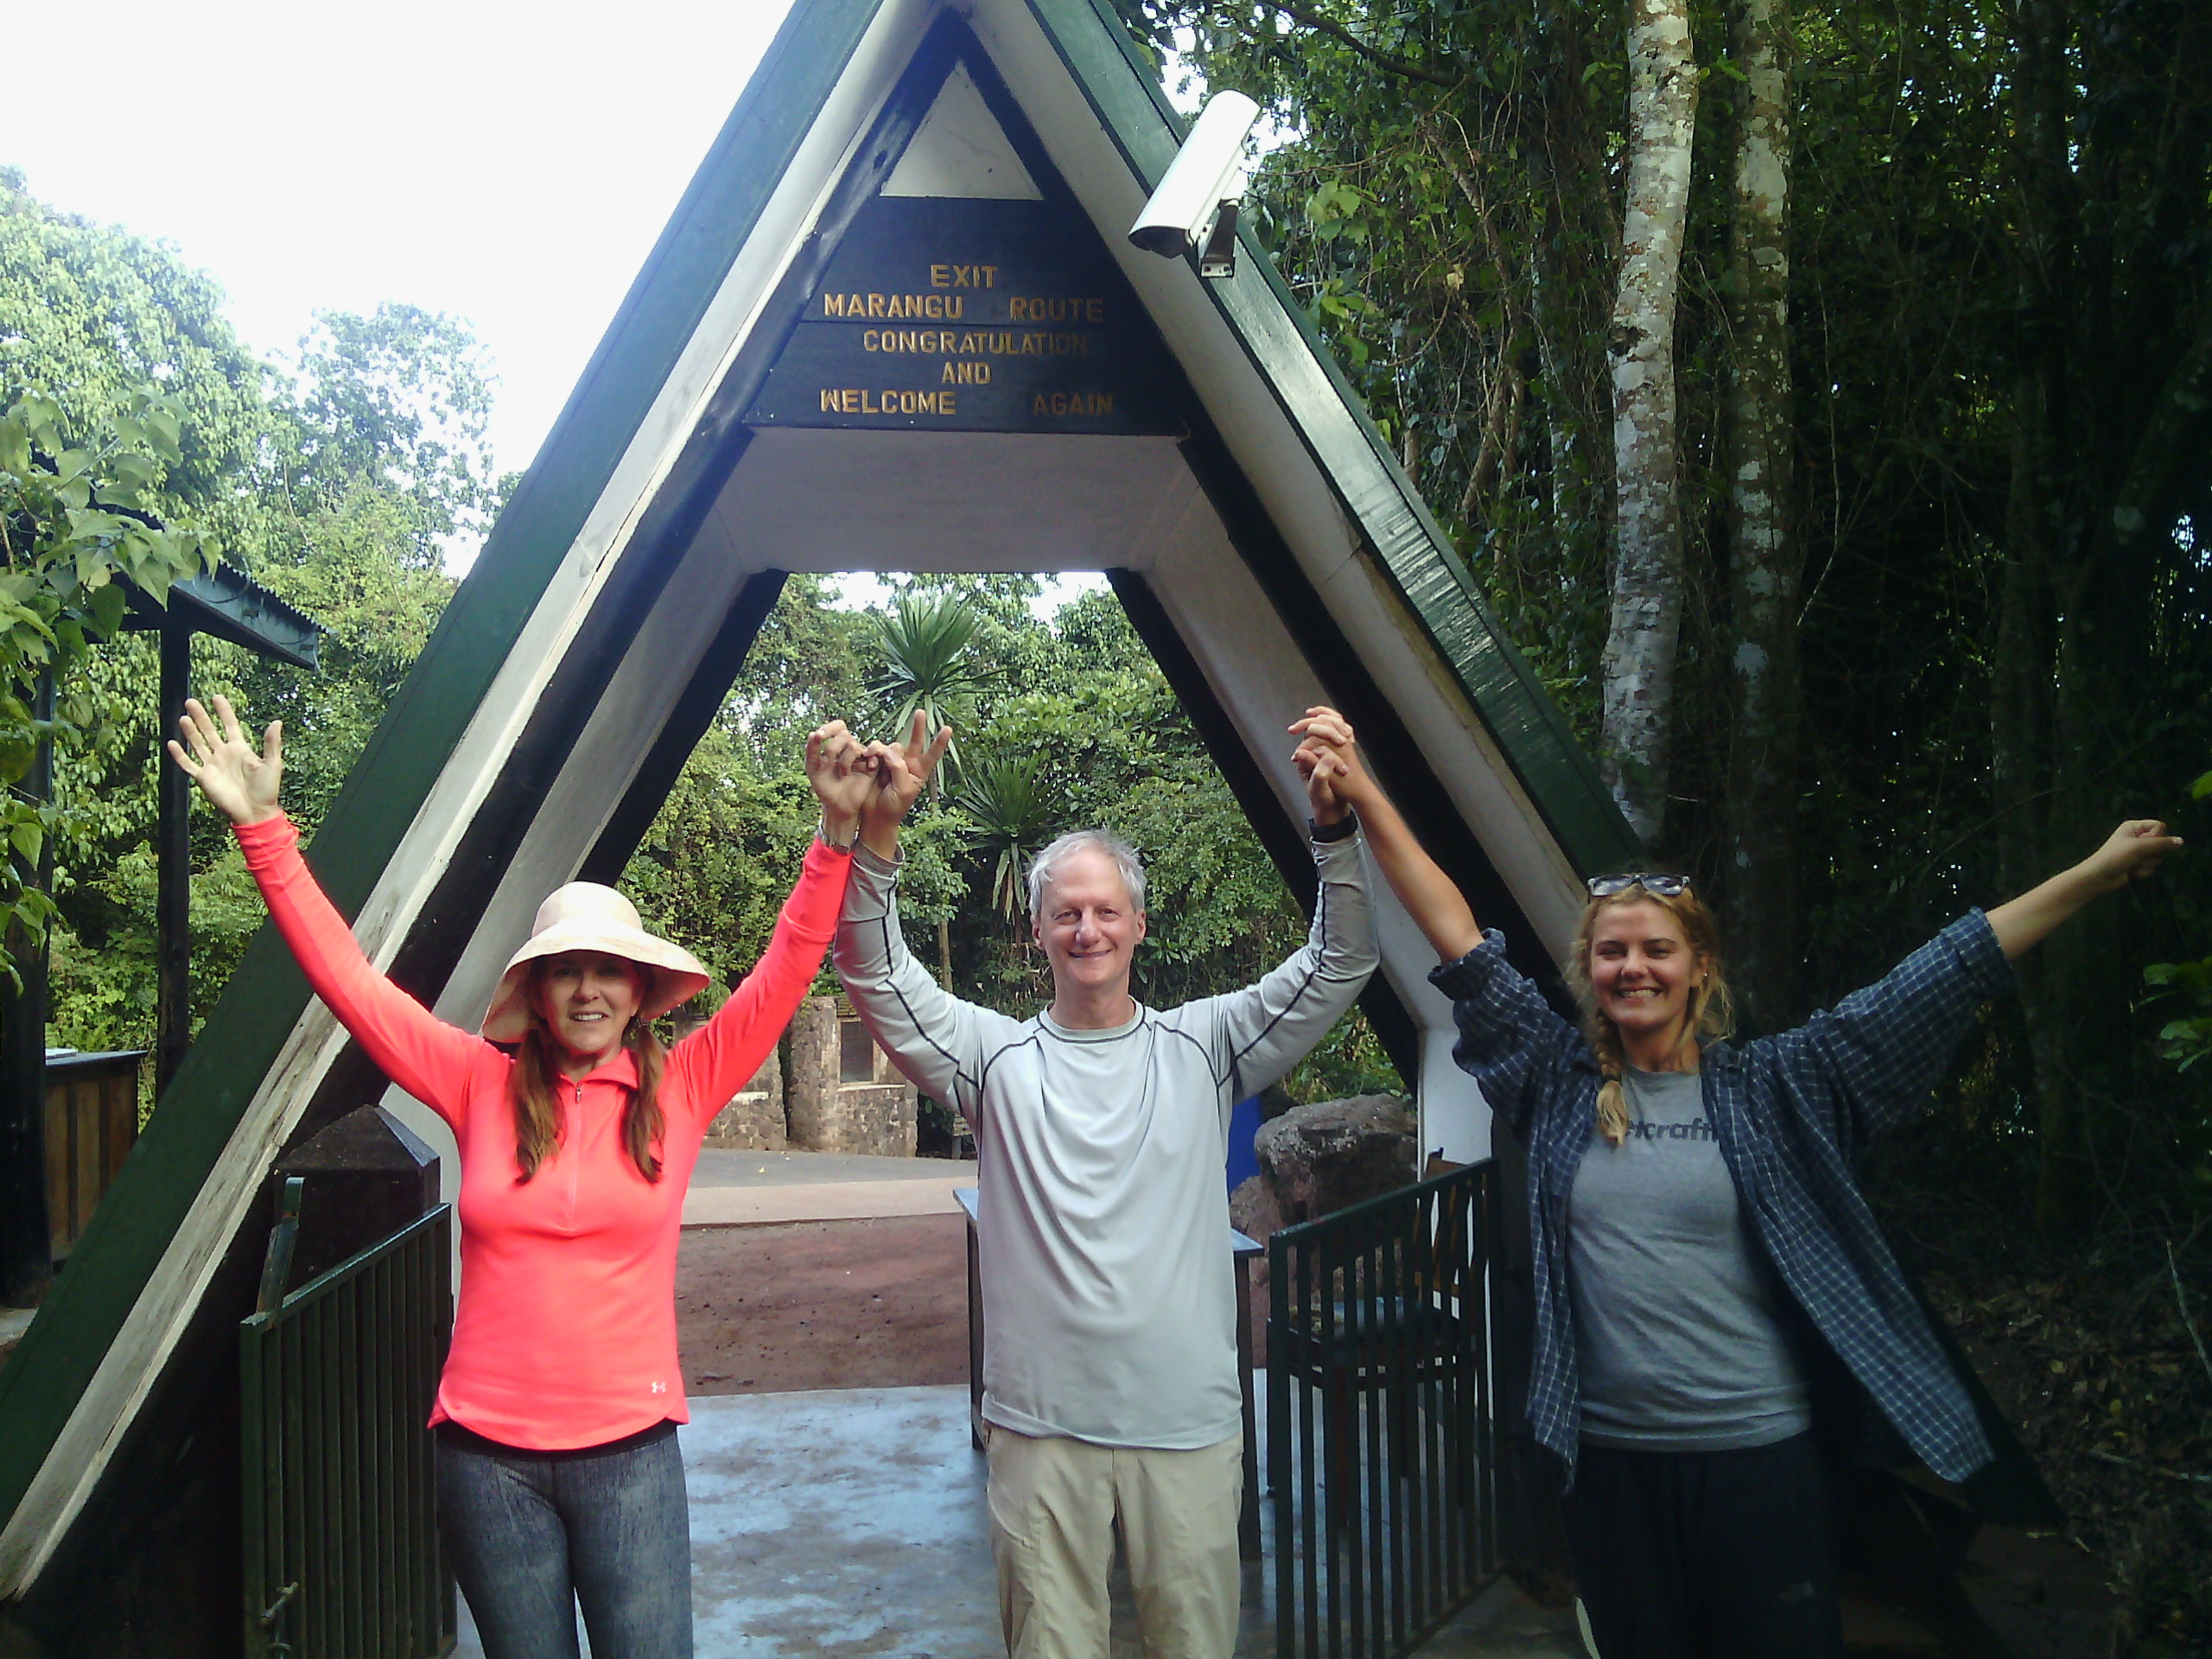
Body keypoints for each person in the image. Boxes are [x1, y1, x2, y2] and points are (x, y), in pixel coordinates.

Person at [1287, 705, 2180, 1659]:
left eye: (1655, 950)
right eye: (1613, 951)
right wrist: (1362, 788)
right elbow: (1456, 935)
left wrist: (2094, 873)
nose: (1633, 968)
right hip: (1611, 1468)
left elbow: (1944, 974)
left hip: (1762, 1464)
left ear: (1697, 966)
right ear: (1590, 970)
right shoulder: (1555, 1083)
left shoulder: (1780, 1086)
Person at [168, 694, 878, 1659]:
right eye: (565, 970)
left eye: (609, 971)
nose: (588, 988)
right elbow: (353, 986)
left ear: (639, 994)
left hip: (631, 1455)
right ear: (536, 993)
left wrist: (836, 833)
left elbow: (790, 964)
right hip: (486, 1462)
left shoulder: (686, 1084)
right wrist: (265, 834)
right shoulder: (476, 1083)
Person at [823, 713, 1377, 1659]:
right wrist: (877, 838)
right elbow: (872, 971)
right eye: (1067, 912)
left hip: (1187, 1427)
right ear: (1037, 928)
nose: (1088, 929)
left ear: (1139, 925)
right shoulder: (992, 1059)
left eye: (1106, 909)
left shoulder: (1203, 1045)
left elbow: (1339, 963)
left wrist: (1336, 832)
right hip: (1041, 1432)